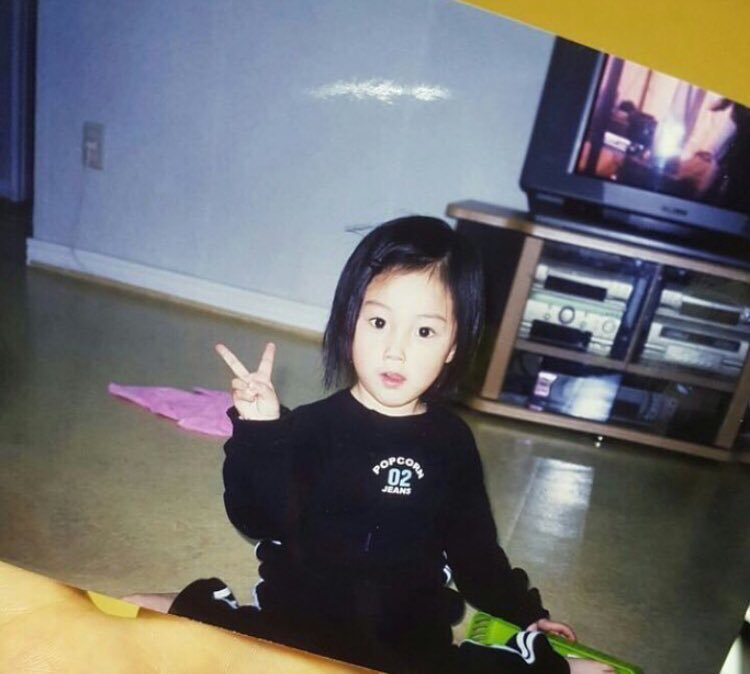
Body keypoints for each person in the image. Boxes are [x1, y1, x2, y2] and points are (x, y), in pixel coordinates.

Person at [126, 217, 613, 674]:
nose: (395, 350)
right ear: (349, 322)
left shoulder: (451, 443)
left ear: (453, 346)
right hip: (293, 632)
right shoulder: (310, 426)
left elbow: (475, 552)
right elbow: (256, 519)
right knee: (149, 619)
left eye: (424, 331)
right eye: (379, 323)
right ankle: (188, 609)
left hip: (406, 650)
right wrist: (259, 431)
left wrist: (525, 612)